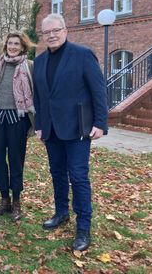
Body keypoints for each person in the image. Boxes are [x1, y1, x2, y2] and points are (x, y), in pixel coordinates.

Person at [33, 13, 108, 251]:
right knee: (57, 173)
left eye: (56, 30)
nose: (52, 35)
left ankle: (83, 227)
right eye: (47, 32)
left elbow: (99, 90)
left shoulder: (83, 55)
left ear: (66, 30)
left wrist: (100, 123)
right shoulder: (41, 60)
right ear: (43, 35)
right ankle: (61, 213)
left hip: (77, 128)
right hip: (52, 130)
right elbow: (40, 96)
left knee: (78, 176)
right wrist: (39, 125)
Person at [0, 31, 35, 222]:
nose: (13, 47)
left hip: (17, 120)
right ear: (6, 45)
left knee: (16, 161)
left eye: (17, 44)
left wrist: (33, 124)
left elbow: (35, 94)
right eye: (10, 43)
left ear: (23, 47)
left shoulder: (29, 67)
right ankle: (4, 200)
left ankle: (17, 202)